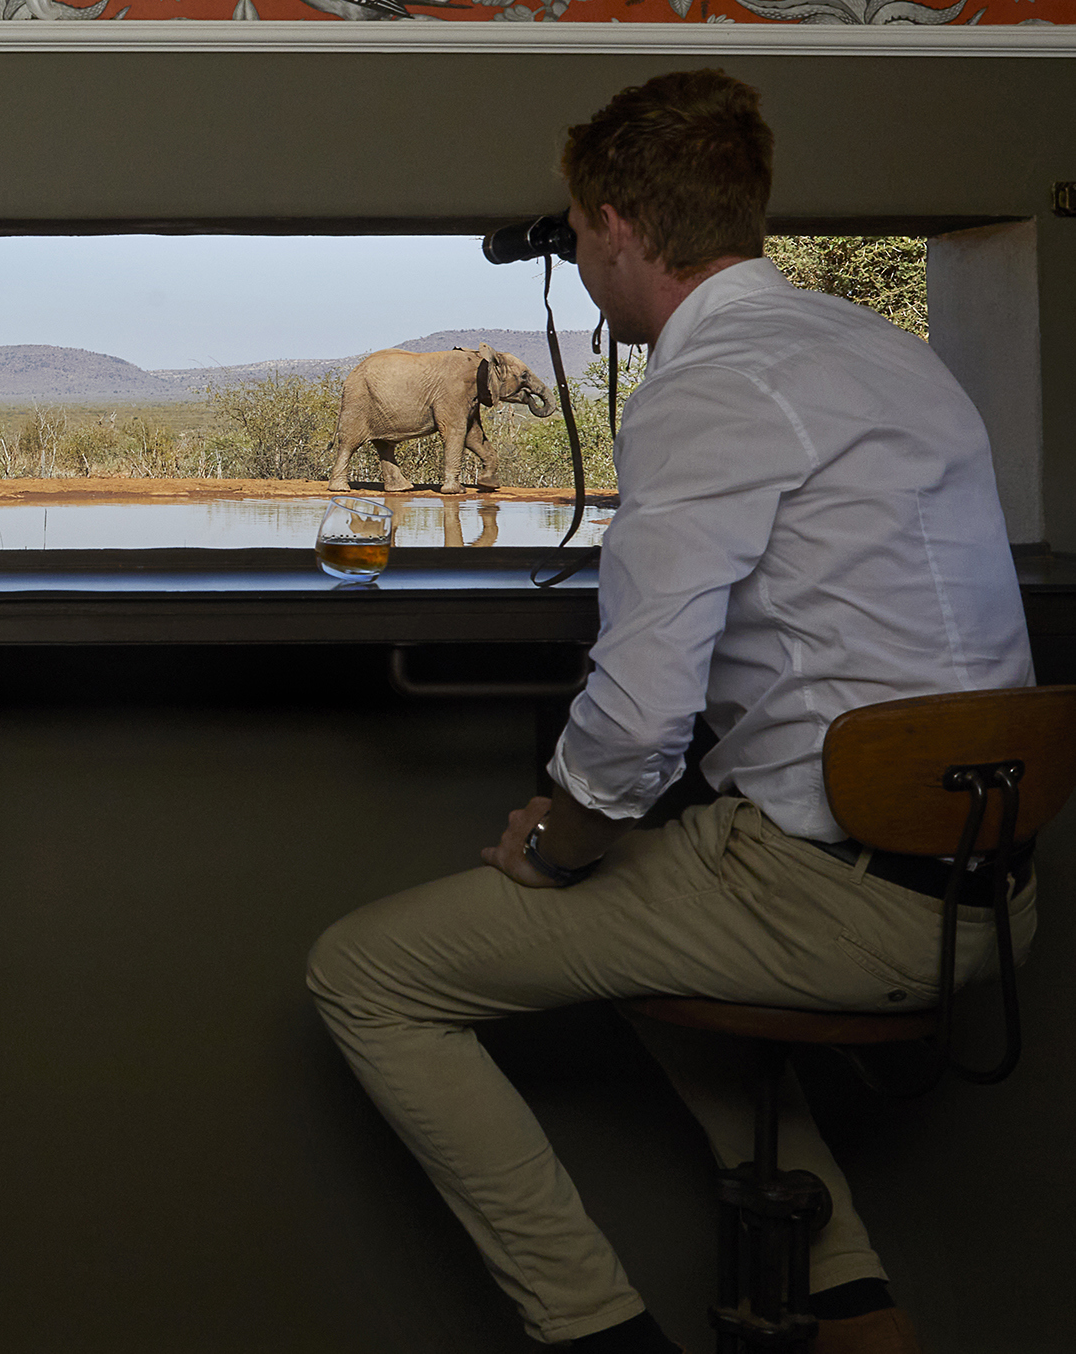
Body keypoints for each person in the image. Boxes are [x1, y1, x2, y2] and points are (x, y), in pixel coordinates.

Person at [306, 69, 1034, 1354]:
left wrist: (556, 837)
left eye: (579, 231)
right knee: (638, 902)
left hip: (840, 902)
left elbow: (639, 722)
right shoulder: (878, 355)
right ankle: (849, 1298)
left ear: (614, 229)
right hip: (987, 880)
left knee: (366, 975)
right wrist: (600, 836)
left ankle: (598, 1335)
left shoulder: (707, 389)